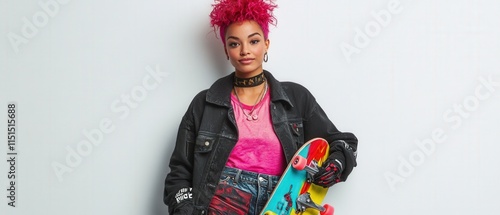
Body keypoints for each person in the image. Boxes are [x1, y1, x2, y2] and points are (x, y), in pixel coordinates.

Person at [163, 0, 358, 214]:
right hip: (223, 203)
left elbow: (342, 142)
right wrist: (185, 209)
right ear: (226, 50)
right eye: (235, 43)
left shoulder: (296, 98)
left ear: (266, 44)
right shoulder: (205, 104)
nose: (245, 50)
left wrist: (336, 164)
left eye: (253, 41)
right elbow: (179, 172)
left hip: (281, 202)